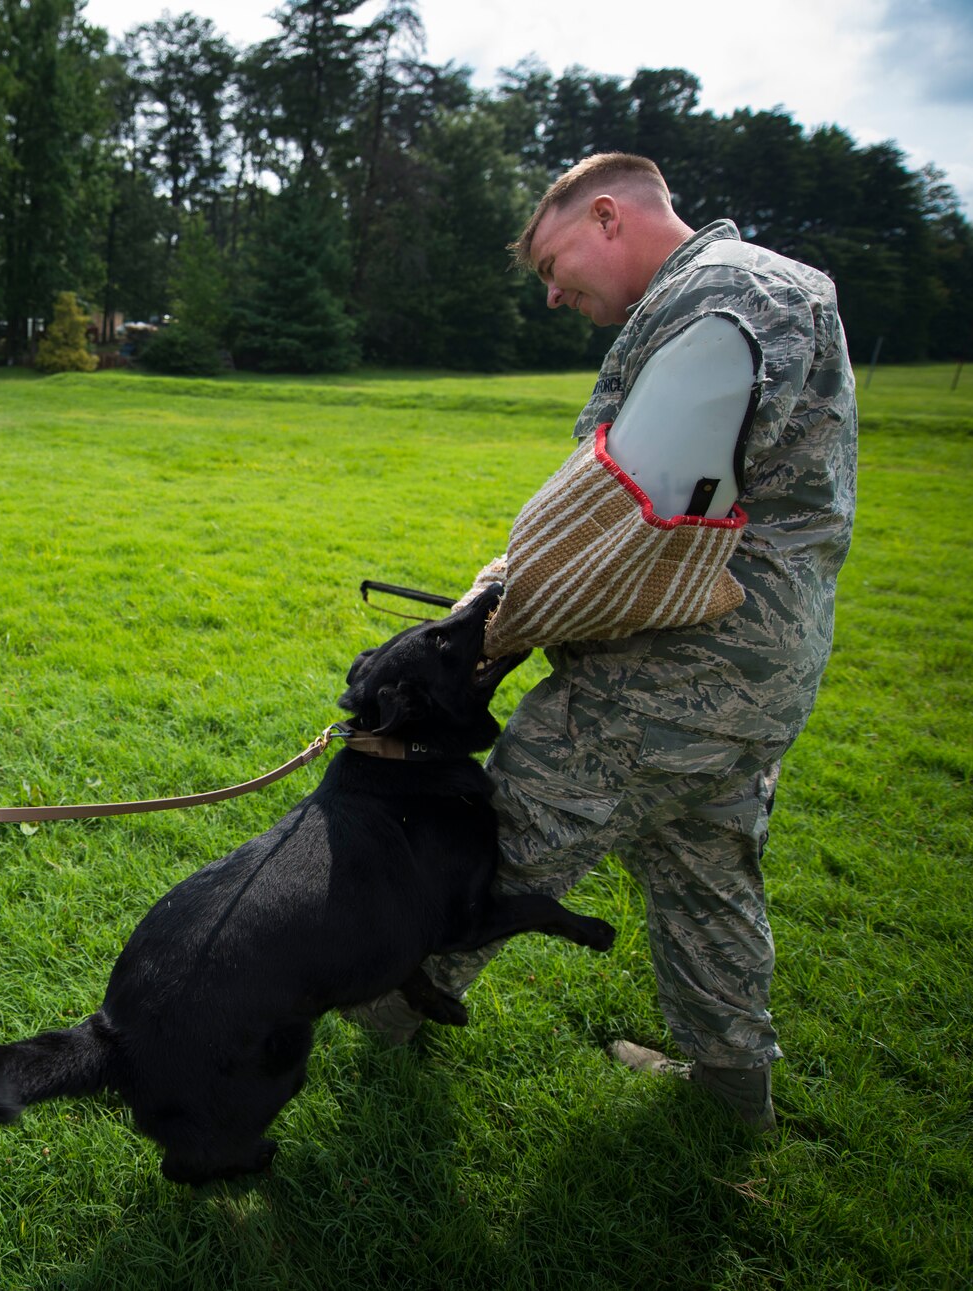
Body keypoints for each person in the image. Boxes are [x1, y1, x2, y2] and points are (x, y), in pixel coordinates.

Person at [352, 153, 858, 1132]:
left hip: (671, 676)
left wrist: (485, 627)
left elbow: (636, 505)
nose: (549, 294)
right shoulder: (734, 299)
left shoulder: (727, 297)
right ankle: (728, 1090)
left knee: (491, 839)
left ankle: (348, 1029)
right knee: (702, 869)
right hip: (748, 676)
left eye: (552, 262)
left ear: (608, 213)